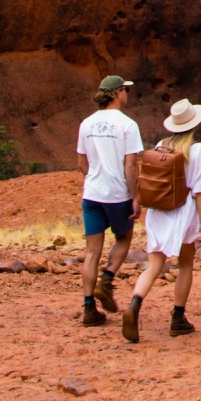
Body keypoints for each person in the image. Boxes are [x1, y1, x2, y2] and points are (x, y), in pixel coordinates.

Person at [122, 98, 201, 342]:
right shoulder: (197, 150)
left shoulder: (161, 146)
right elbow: (200, 190)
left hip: (158, 213)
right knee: (185, 265)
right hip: (184, 213)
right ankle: (178, 318)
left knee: (153, 265)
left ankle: (134, 304)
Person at [75, 74, 142, 327]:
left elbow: (82, 164)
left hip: (92, 193)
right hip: (117, 195)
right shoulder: (127, 125)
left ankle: (89, 308)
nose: (127, 94)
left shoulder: (86, 124)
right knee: (124, 238)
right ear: (116, 93)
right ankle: (107, 279)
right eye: (126, 89)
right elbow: (131, 165)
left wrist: (96, 178)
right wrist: (135, 197)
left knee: (92, 251)